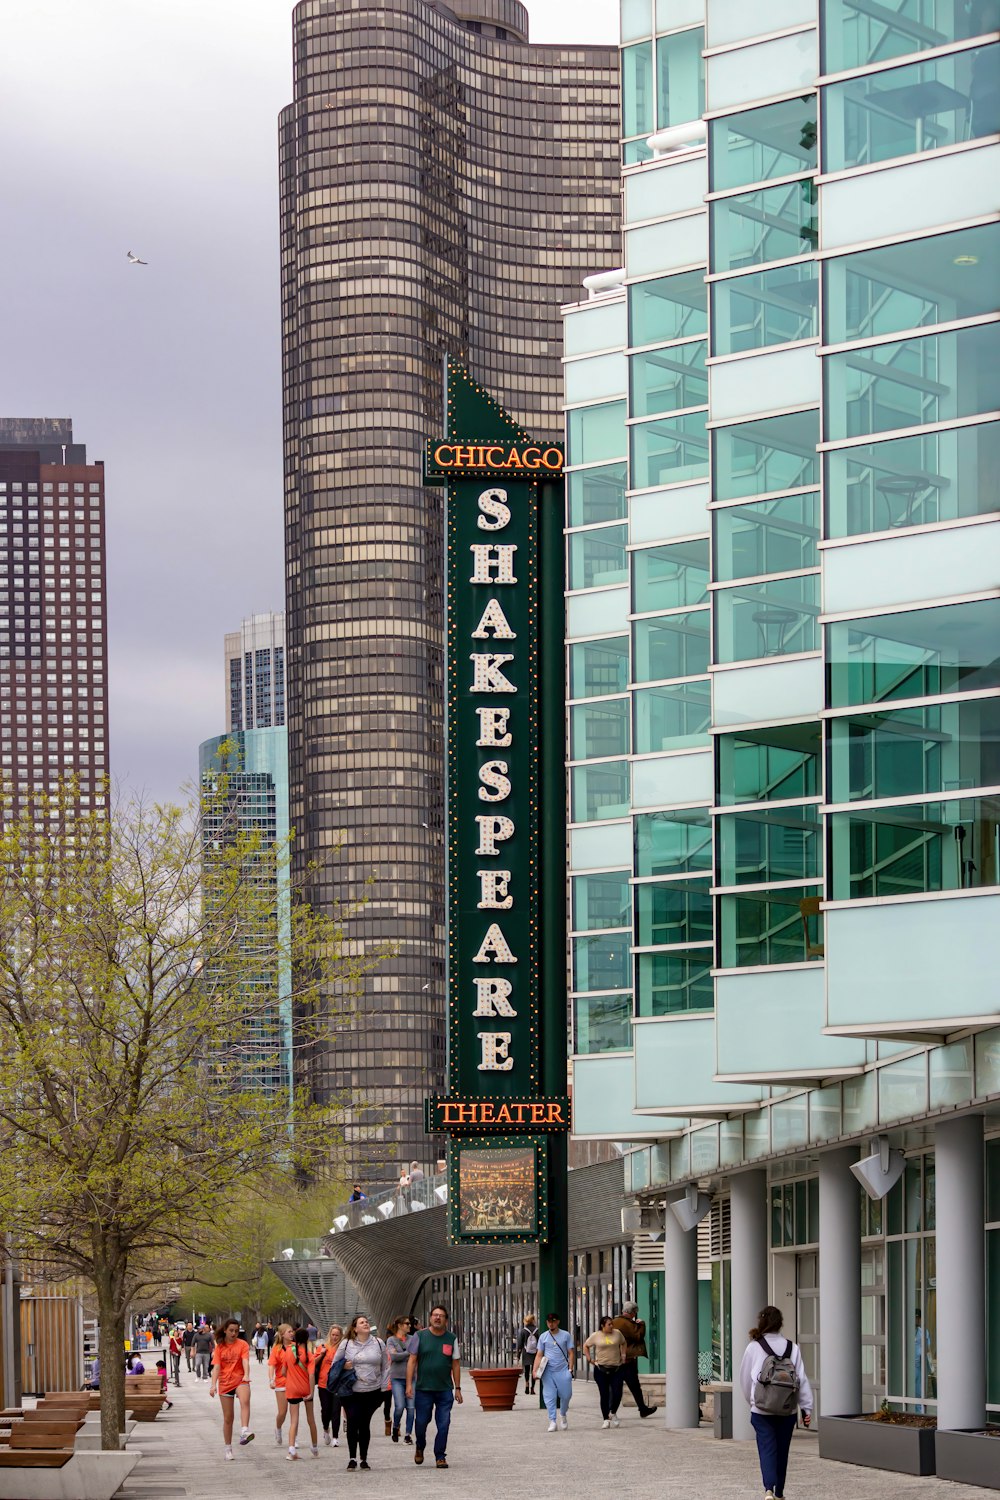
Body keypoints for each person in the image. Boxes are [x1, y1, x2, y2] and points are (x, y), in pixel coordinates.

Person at [738, 1304, 813, 1500]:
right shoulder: (792, 1347)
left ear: (761, 1322)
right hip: (787, 1410)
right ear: (780, 1324)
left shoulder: (754, 1347)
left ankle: (768, 1489)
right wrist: (807, 1408)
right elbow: (801, 1379)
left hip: (761, 1409)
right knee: (782, 1450)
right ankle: (779, 1492)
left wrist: (753, 1401)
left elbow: (745, 1379)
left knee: (767, 1447)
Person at [406, 1302, 462, 1469]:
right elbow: (412, 1361)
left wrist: (457, 1388)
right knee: (422, 1422)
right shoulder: (420, 1336)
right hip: (424, 1389)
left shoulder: (451, 1339)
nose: (437, 1318)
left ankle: (440, 1456)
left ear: (446, 1320)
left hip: (444, 1389)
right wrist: (409, 1384)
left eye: (441, 1316)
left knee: (444, 1423)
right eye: (435, 1315)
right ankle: (420, 1446)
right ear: (430, 1318)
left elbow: (456, 1364)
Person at [340, 1314, 389, 1470]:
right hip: (351, 1391)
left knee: (364, 1423)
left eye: (367, 1322)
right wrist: (344, 1366)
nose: (365, 1324)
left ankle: (364, 1458)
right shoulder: (346, 1344)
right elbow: (335, 1364)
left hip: (373, 1390)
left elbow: (386, 1366)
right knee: (354, 1421)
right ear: (355, 1328)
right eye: (362, 1322)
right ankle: (352, 1458)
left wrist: (384, 1387)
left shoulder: (378, 1343)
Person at [210, 1317, 254, 1461]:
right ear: (225, 1330)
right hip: (225, 1383)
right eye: (231, 1331)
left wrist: (247, 1375)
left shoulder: (243, 1344)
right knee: (228, 1418)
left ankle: (244, 1430)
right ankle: (228, 1448)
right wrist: (213, 1385)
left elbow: (245, 1360)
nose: (234, 1333)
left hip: (240, 1379)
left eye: (236, 1331)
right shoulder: (220, 1347)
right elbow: (216, 1366)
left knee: (245, 1400)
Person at [611, 1303, 658, 1418]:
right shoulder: (627, 1323)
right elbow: (638, 1335)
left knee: (615, 1388)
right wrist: (642, 1324)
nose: (634, 1315)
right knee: (635, 1387)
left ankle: (611, 1411)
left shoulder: (614, 1322)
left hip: (614, 1361)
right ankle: (642, 1409)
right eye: (635, 1313)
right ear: (632, 1312)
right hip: (627, 1361)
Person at [533, 1313, 574, 1432]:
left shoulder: (565, 1335)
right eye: (549, 1321)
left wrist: (570, 1369)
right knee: (549, 1395)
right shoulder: (543, 1337)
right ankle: (552, 1420)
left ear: (558, 1322)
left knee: (566, 1395)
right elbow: (539, 1355)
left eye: (553, 1321)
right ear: (547, 1323)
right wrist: (534, 1370)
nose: (551, 1323)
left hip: (563, 1369)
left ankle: (563, 1413)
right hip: (548, 1370)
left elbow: (571, 1353)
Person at [584, 1316, 627, 1428]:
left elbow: (624, 1343)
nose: (612, 1326)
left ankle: (612, 1412)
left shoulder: (617, 1333)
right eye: (609, 1324)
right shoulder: (596, 1335)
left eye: (612, 1324)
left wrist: (623, 1355)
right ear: (603, 1325)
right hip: (601, 1369)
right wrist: (589, 1359)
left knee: (617, 1393)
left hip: (616, 1368)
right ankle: (606, 1419)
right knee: (604, 1394)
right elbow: (586, 1345)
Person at [284, 1327, 320, 1460]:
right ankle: (315, 1447)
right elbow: (311, 1376)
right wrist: (311, 1392)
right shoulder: (309, 1355)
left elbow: (283, 1371)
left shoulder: (288, 1351)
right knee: (311, 1420)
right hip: (305, 1388)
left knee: (294, 1420)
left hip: (292, 1388)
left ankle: (291, 1449)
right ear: (307, 1339)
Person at [387, 1316, 415, 1444]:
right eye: (407, 1324)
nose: (410, 1326)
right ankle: (395, 1426)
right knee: (399, 1406)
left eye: (410, 1324)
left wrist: (403, 1354)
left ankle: (408, 1434)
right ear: (399, 1325)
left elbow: (417, 1355)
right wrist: (409, 1353)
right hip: (397, 1378)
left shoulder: (413, 1339)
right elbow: (393, 1356)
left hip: (412, 1377)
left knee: (411, 1407)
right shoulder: (391, 1340)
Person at [316, 1324, 344, 1447]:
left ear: (341, 1336)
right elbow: (313, 1362)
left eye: (337, 1335)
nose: (335, 1337)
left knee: (336, 1411)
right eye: (333, 1335)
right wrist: (322, 1354)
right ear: (329, 1335)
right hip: (323, 1383)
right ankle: (326, 1428)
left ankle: (335, 1437)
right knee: (325, 1410)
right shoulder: (323, 1347)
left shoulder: (343, 1349)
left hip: (338, 1384)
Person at [269, 1323, 294, 1446]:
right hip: (281, 1382)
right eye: (289, 1332)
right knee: (282, 1412)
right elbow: (272, 1365)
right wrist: (271, 1379)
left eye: (292, 1331)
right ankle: (278, 1428)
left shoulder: (295, 1347)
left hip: (295, 1383)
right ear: (282, 1334)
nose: (292, 1333)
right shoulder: (276, 1349)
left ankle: (294, 1438)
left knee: (294, 1413)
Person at [516, 1314, 539, 1394]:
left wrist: (518, 1356)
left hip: (526, 1352)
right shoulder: (537, 1330)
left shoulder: (523, 1331)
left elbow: (520, 1344)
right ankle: (532, 1388)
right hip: (535, 1353)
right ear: (533, 1320)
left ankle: (526, 1384)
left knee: (526, 1370)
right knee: (534, 1370)